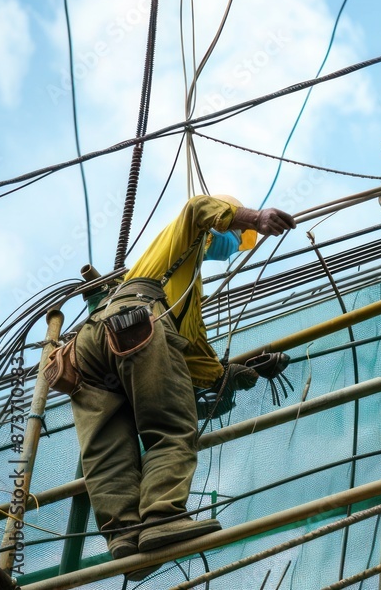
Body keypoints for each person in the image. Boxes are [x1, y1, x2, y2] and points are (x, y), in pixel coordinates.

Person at [71, 195, 295, 578]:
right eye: (236, 233)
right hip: (137, 319)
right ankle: (162, 519)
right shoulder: (187, 240)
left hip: (88, 347)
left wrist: (243, 373)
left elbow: (194, 364)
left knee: (108, 447)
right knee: (171, 427)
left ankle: (124, 534)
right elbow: (197, 207)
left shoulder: (185, 296)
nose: (235, 241)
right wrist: (255, 218)